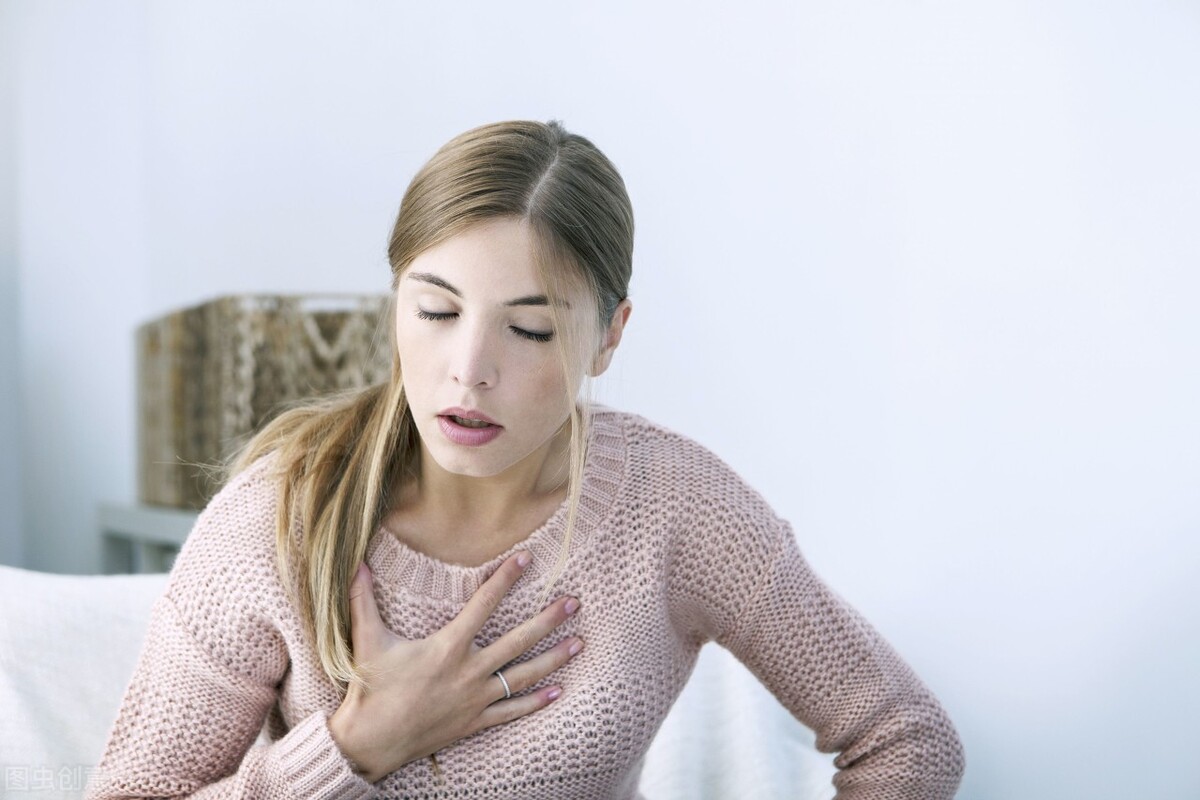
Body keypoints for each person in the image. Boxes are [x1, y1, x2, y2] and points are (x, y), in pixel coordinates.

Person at [85, 119, 965, 799]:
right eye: (436, 311)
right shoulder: (277, 519)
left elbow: (906, 738)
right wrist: (357, 745)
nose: (469, 369)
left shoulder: (677, 506)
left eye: (531, 328)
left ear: (608, 337)